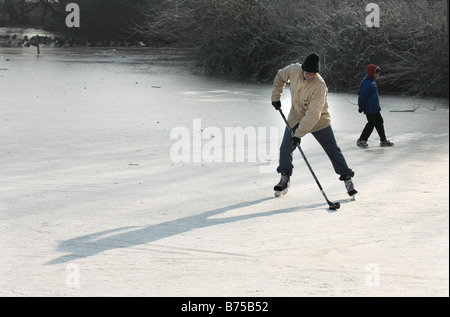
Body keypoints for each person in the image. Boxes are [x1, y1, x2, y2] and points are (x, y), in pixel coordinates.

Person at [271, 53, 357, 197]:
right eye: (308, 73)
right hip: (296, 116)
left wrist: (298, 134)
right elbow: (280, 77)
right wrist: (276, 96)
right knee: (285, 147)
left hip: (318, 120)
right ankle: (284, 178)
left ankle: (347, 179)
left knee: (332, 150)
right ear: (302, 70)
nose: (310, 76)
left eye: (313, 74)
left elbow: (313, 115)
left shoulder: (319, 86)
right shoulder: (293, 70)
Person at [357, 64, 394, 147]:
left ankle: (383, 140)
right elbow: (362, 97)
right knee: (371, 123)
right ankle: (362, 140)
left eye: (378, 74)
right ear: (371, 73)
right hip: (369, 108)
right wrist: (361, 107)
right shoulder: (367, 83)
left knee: (379, 122)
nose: (377, 75)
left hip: (375, 108)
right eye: (376, 73)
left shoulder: (372, 82)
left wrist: (377, 106)